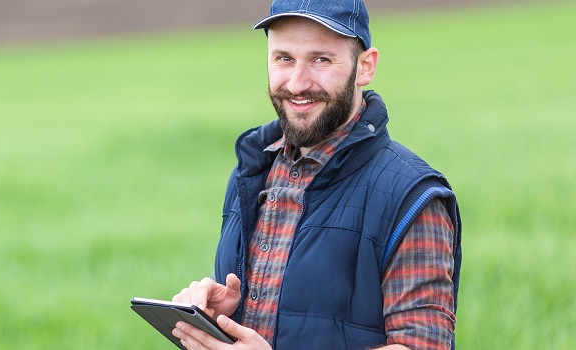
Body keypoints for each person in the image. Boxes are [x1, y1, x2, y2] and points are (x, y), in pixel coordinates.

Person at [169, 0, 462, 349]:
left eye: (320, 59)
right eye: (284, 58)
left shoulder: (410, 197)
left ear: (365, 66)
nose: (296, 83)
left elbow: (422, 345)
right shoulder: (253, 173)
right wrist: (223, 318)